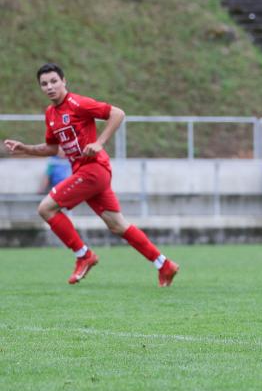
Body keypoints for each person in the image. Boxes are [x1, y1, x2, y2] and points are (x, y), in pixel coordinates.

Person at [3, 63, 179, 286]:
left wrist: (99, 142)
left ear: (64, 81)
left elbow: (118, 114)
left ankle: (83, 255)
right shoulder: (51, 114)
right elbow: (52, 148)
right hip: (89, 173)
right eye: (44, 84)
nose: (49, 87)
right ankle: (164, 264)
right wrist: (25, 148)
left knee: (46, 208)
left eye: (54, 81)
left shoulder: (78, 103)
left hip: (93, 170)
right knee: (117, 225)